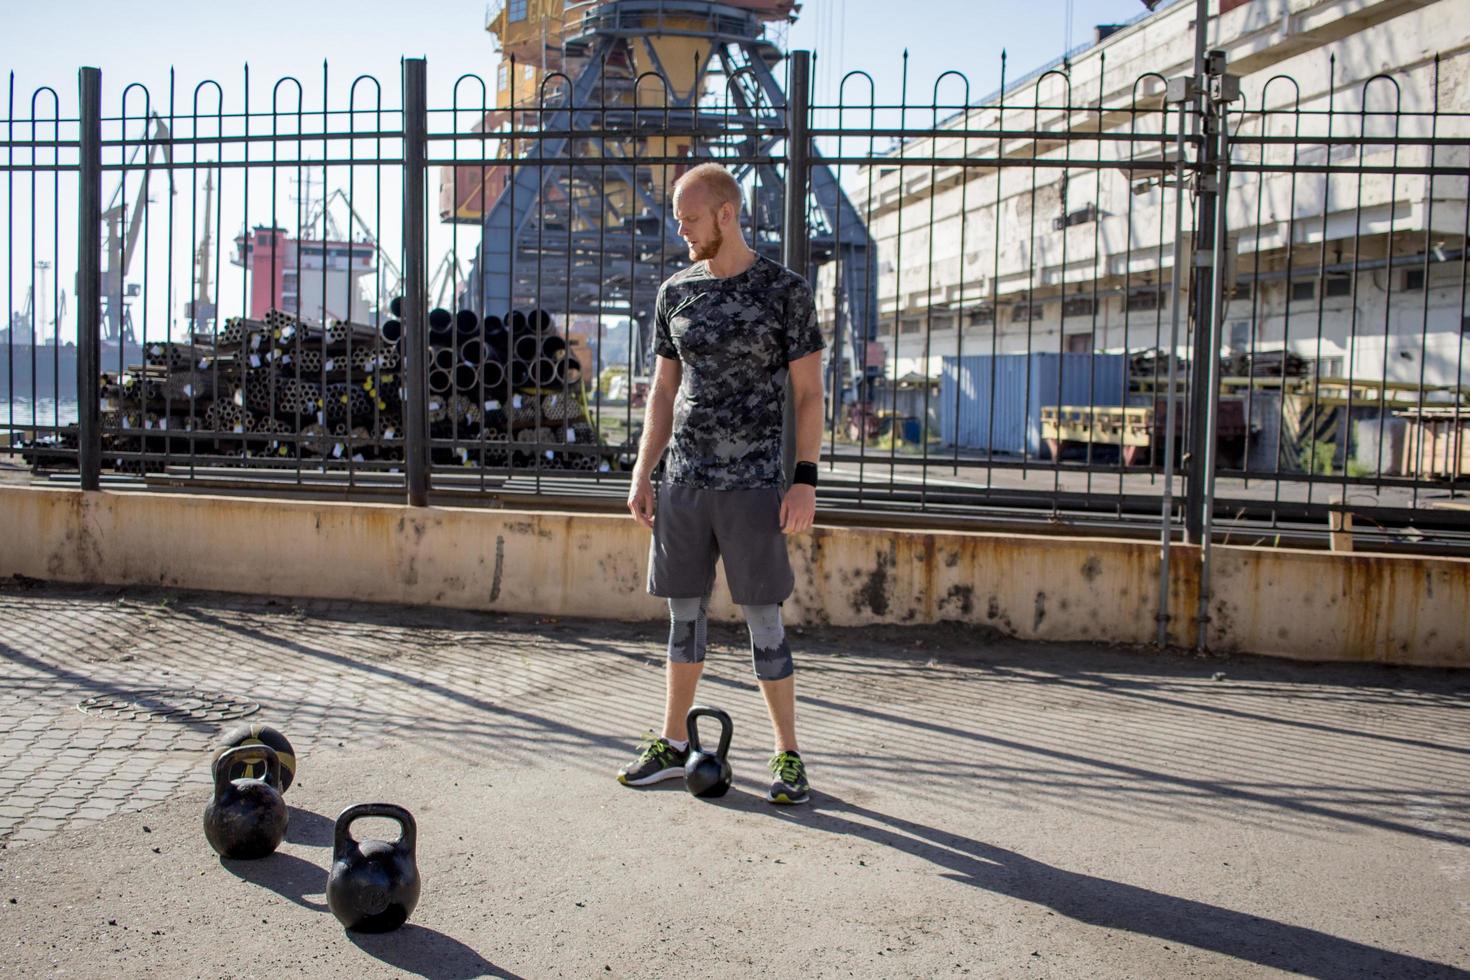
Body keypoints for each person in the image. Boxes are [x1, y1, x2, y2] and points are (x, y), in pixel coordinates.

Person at [619, 161, 825, 805]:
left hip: (756, 483)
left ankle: (788, 756)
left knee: (764, 618)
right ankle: (673, 741)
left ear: (726, 213)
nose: (680, 228)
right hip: (684, 480)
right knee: (683, 616)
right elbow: (662, 390)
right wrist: (644, 467)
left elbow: (810, 394)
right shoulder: (675, 292)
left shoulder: (784, 291)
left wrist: (804, 481)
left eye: (689, 217)